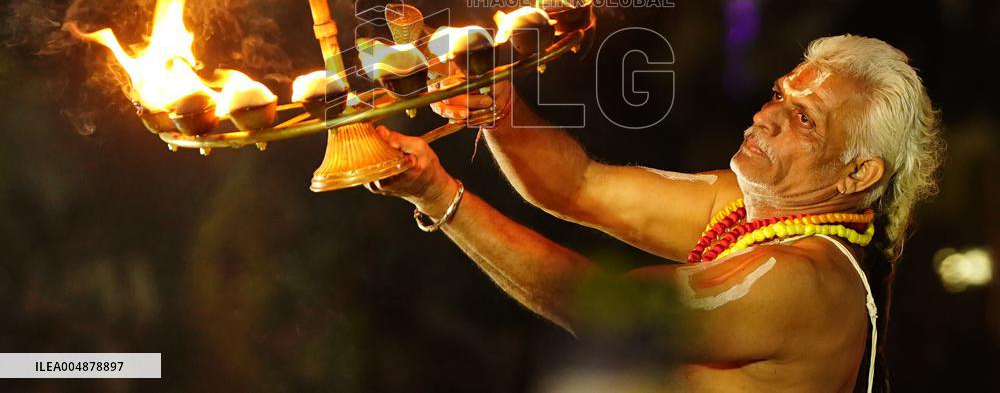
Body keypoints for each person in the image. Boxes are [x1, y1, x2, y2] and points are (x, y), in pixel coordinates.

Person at [368, 35, 943, 392]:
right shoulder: (745, 208)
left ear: (859, 174)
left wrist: (439, 196)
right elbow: (577, 185)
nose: (765, 118)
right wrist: (498, 107)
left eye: (805, 119)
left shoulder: (804, 281)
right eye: (779, 96)